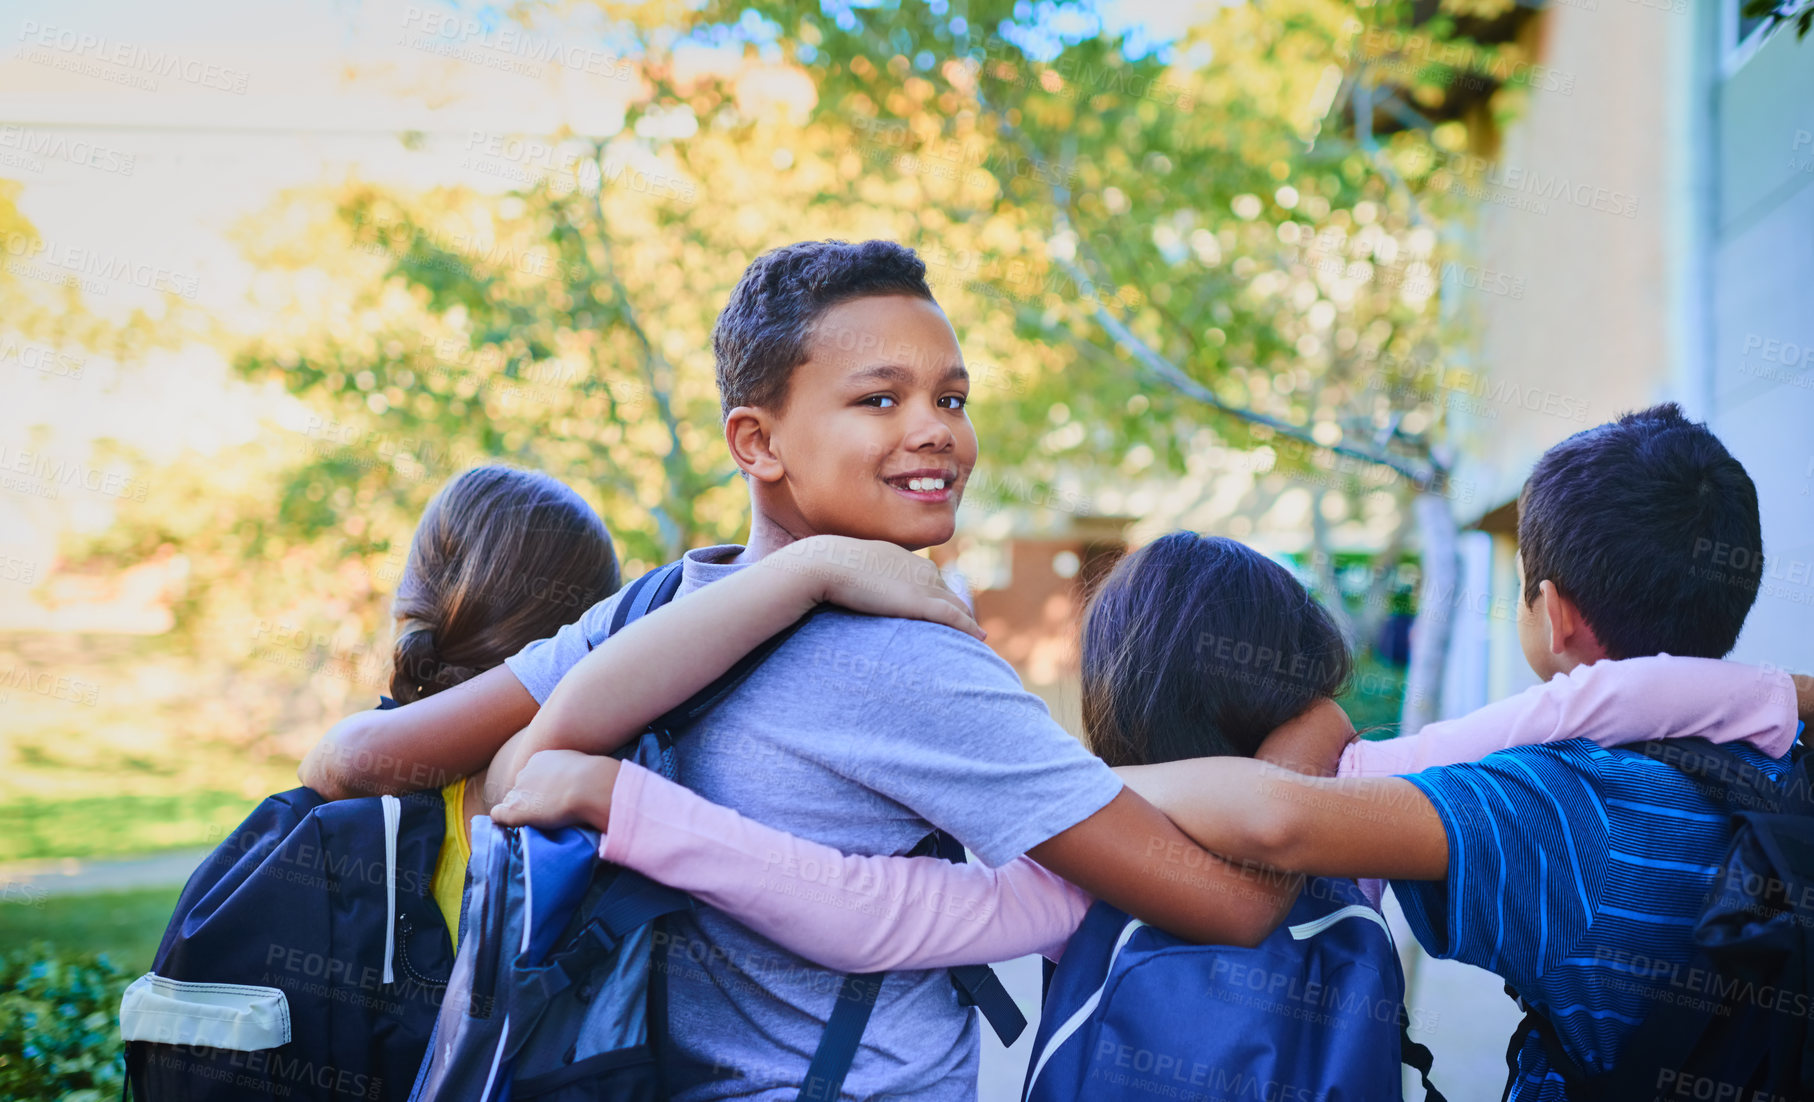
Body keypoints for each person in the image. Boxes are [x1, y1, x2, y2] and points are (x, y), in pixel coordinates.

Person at [298, 240, 1349, 1102]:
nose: (936, 428)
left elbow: (350, 758)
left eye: (951, 394)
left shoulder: (657, 608)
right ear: (756, 441)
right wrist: (1315, 728)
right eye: (878, 400)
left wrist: (791, 573)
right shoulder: (904, 661)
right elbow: (1227, 905)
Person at [489, 528, 1794, 992]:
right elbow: (1596, 701)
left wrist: (632, 804)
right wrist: (1781, 699)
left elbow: (870, 912)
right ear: (1298, 683)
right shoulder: (1361, 782)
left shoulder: (1064, 865)